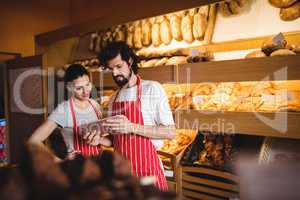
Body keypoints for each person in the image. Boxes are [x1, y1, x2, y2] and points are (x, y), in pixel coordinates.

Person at [96, 41, 176, 191]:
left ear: (130, 61)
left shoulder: (152, 89)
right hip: (123, 176)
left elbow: (170, 132)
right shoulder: (114, 98)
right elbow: (117, 140)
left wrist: (131, 126)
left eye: (119, 67)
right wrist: (98, 139)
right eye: (111, 69)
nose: (115, 73)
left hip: (148, 173)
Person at [28, 64, 110, 161]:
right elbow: (33, 142)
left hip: (97, 165)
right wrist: (60, 162)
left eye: (87, 85)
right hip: (77, 169)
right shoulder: (63, 110)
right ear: (69, 88)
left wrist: (99, 140)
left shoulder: (95, 105)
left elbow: (106, 141)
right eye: (79, 88)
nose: (86, 91)